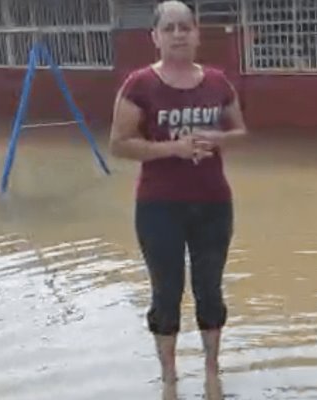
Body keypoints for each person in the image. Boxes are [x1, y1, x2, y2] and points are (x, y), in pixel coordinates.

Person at [108, 0, 246, 395]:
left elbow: (240, 133)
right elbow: (119, 145)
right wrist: (174, 150)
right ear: (155, 37)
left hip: (213, 203)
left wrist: (216, 138)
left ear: (198, 34)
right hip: (158, 206)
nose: (178, 34)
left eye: (185, 26)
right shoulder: (139, 85)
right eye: (169, 28)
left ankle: (212, 372)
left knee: (210, 289)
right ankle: (169, 377)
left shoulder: (219, 82)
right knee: (166, 291)